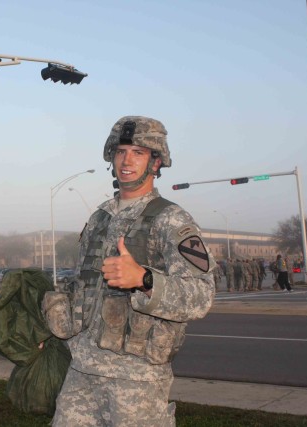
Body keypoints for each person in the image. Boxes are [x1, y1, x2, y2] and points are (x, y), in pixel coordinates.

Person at [45, 116, 215, 426]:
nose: (127, 160)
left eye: (138, 152)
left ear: (156, 161)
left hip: (136, 378)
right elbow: (84, 285)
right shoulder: (99, 217)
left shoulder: (171, 220)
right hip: (82, 369)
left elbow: (201, 296)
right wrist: (54, 322)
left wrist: (145, 280)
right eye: (121, 151)